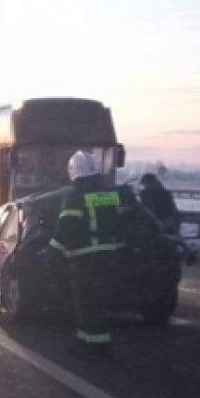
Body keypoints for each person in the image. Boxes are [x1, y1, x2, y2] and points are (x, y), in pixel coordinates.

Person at [49, 151, 123, 359]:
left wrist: (52, 251)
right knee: (92, 301)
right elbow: (118, 224)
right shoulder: (109, 195)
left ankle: (99, 346)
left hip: (86, 258)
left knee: (88, 303)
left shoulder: (76, 197)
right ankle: (83, 341)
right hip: (109, 256)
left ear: (74, 173)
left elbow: (66, 227)